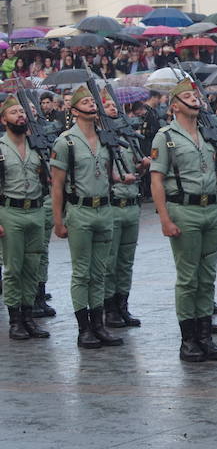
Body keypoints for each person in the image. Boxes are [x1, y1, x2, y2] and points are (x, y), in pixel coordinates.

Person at [149, 77, 217, 363]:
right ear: (174, 107)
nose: (196, 101)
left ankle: (205, 336)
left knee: (207, 277)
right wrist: (165, 219)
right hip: (184, 210)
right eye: (189, 98)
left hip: (211, 209)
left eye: (196, 98)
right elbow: (156, 180)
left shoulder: (208, 134)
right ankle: (188, 339)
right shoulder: (165, 136)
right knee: (188, 278)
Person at [50, 85, 124, 349]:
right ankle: (84, 329)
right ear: (74, 110)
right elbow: (57, 185)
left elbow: (106, 172)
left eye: (94, 102)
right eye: (87, 102)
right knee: (82, 273)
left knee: (100, 272)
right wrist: (58, 221)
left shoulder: (105, 139)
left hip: (104, 209)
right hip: (79, 210)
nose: (93, 105)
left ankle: (99, 325)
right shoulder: (65, 142)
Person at [0, 96, 51, 340]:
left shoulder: (37, 146)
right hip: (10, 211)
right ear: (3, 120)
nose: (20, 115)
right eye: (13, 112)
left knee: (32, 267)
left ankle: (29, 316)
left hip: (36, 210)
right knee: (13, 268)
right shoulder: (0, 148)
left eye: (22, 111)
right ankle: (15, 320)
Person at [102, 91, 150, 328]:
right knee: (109, 261)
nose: (113, 109)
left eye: (115, 105)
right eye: (108, 105)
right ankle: (109, 308)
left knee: (126, 261)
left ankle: (123, 305)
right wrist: (120, 179)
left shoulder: (129, 139)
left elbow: (137, 173)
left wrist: (143, 168)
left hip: (131, 204)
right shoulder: (101, 140)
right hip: (112, 204)